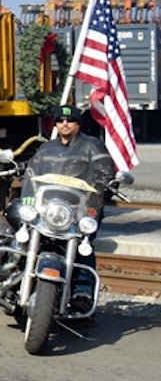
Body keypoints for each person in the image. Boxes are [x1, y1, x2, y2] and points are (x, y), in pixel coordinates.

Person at [26, 104, 117, 304]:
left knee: (84, 245)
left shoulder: (92, 145)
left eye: (70, 120)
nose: (65, 124)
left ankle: (82, 292)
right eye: (60, 120)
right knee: (25, 232)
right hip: (49, 208)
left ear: (78, 123)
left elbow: (105, 174)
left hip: (80, 209)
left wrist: (106, 186)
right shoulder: (46, 147)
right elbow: (31, 173)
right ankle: (21, 279)